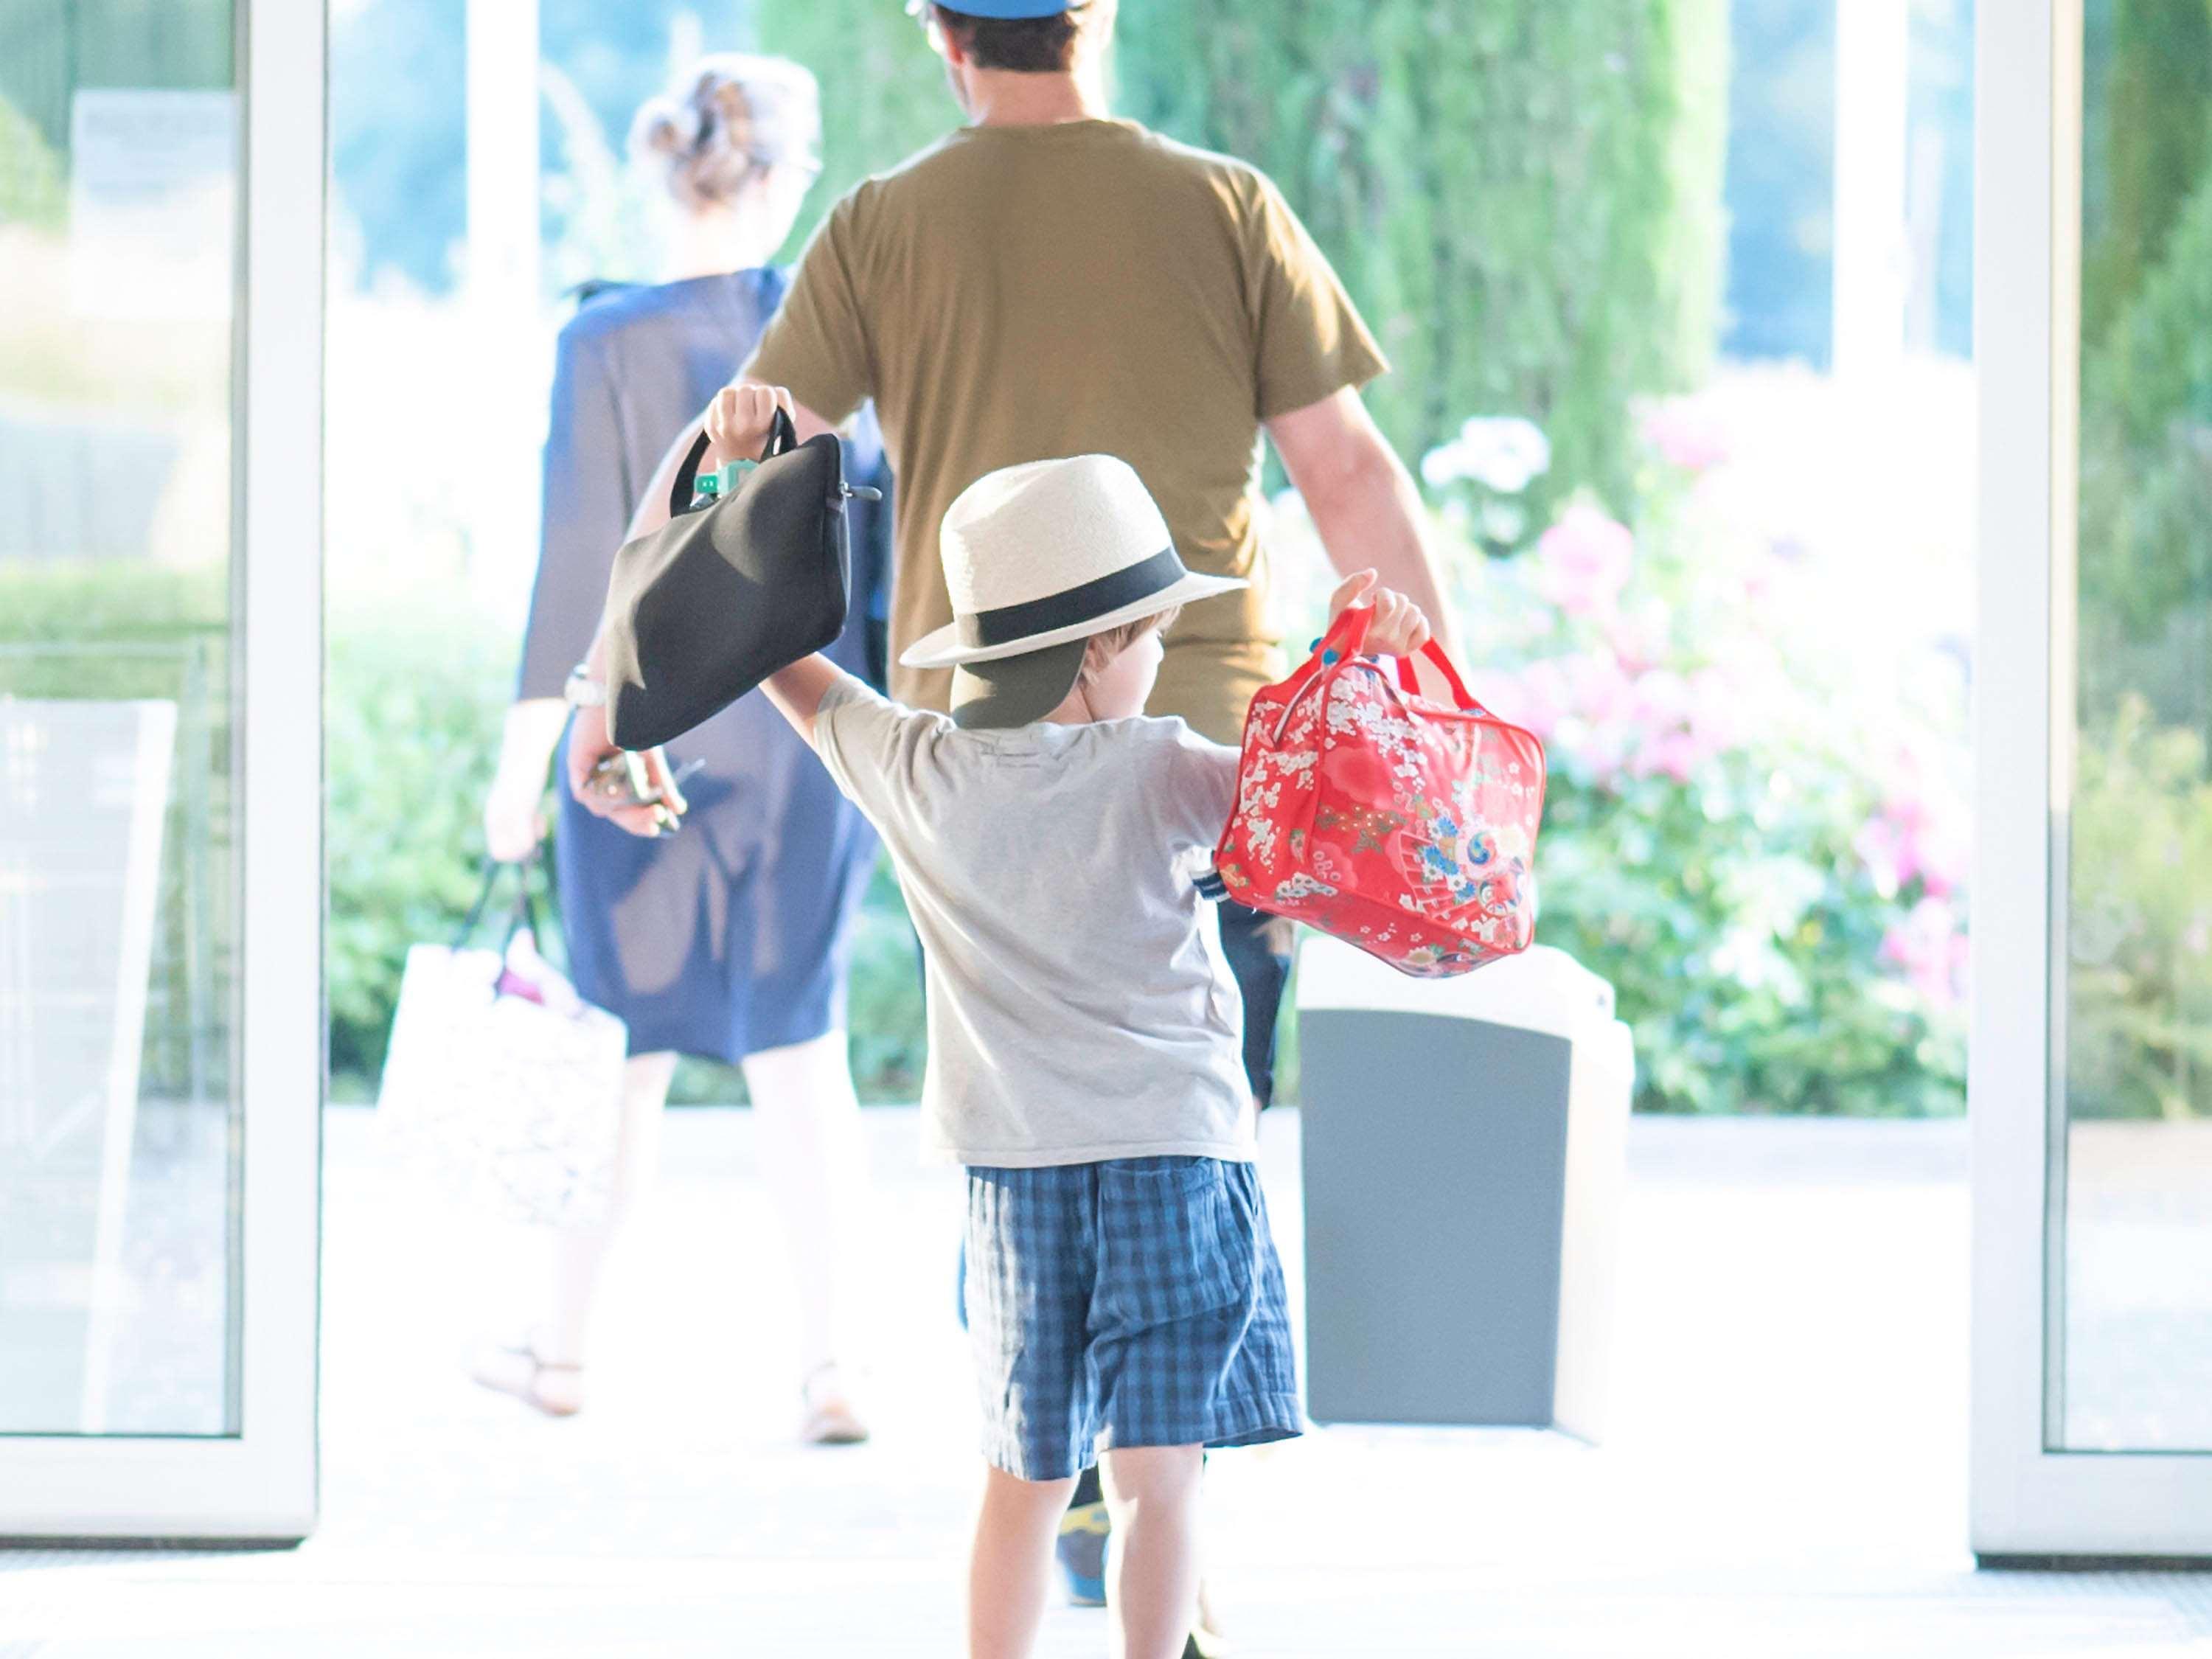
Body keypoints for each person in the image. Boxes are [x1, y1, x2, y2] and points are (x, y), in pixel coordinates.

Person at [574, 384, 1439, 1659]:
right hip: (1176, 1162)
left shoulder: (915, 769)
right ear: (1098, 647)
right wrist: (1372, 664)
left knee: (1020, 1478)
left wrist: (734, 477)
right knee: (1161, 1480)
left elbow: (765, 651)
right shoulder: (1166, 765)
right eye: (1148, 630)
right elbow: (1325, 819)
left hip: (1018, 1178)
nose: (1154, 654)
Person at [479, 56, 888, 1442]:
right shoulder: (841, 342)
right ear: (785, 179)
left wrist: (520, 770)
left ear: (668, 172)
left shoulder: (601, 341)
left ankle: (562, 1352)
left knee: (621, 1058)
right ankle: (832, 1368)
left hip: (636, 739)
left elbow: (577, 569)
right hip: (810, 735)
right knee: (801, 1052)